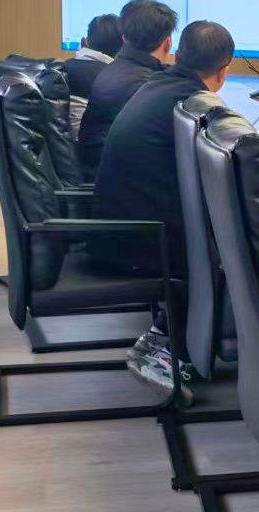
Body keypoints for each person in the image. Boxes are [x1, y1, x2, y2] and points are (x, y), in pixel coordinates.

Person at [89, 20, 234, 400]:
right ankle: (166, 347)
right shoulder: (191, 103)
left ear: (177, 53)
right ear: (223, 71)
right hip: (135, 239)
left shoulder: (159, 85)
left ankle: (166, 338)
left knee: (215, 232)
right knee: (230, 248)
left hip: (115, 225)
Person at [77, 0, 178, 173]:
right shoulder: (149, 87)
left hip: (101, 171)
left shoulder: (113, 70)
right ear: (168, 43)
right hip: (124, 179)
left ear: (124, 38)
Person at [61, 13, 122, 137]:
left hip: (61, 144)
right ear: (123, 47)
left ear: (84, 42)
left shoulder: (59, 68)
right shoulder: (118, 79)